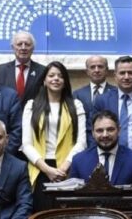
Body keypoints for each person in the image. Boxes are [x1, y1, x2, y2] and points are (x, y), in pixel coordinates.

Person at [21, 61, 86, 205]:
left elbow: (81, 142)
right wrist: (47, 170)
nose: (56, 79)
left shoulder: (76, 105)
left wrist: (63, 168)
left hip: (68, 167)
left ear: (65, 81)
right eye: (51, 75)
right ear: (44, 81)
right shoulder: (31, 106)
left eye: (60, 76)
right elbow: (26, 144)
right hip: (40, 167)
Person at [69, 110, 132, 186]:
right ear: (93, 133)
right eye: (99, 131)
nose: (105, 135)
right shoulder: (78, 161)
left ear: (119, 130)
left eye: (110, 130)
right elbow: (72, 197)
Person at [0, 31, 46, 105]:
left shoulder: (43, 71)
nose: (23, 48)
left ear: (33, 48)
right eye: (19, 44)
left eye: (27, 44)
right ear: (13, 47)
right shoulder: (0, 71)